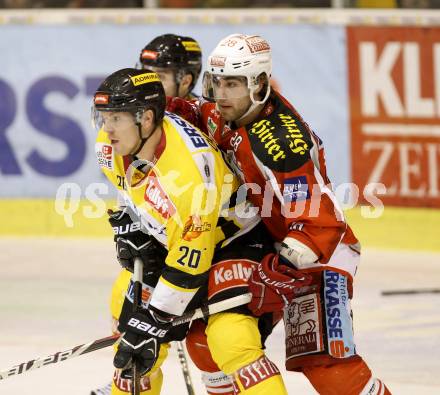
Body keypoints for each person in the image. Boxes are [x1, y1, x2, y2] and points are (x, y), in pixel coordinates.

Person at [170, 33, 391, 395]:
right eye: (217, 82)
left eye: (233, 83)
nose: (221, 94)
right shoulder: (228, 111)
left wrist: (281, 268)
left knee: (327, 369)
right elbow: (200, 112)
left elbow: (322, 223)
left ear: (259, 84)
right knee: (206, 342)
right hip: (270, 249)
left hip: (317, 259)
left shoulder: (281, 145)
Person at [93, 68, 309, 395]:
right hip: (181, 239)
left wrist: (153, 319)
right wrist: (135, 222)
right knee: (128, 331)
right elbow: (136, 192)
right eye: (104, 118)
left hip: (236, 241)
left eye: (116, 119)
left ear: (147, 119)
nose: (106, 130)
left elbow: (190, 262)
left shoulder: (190, 174)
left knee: (230, 338)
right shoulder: (112, 145)